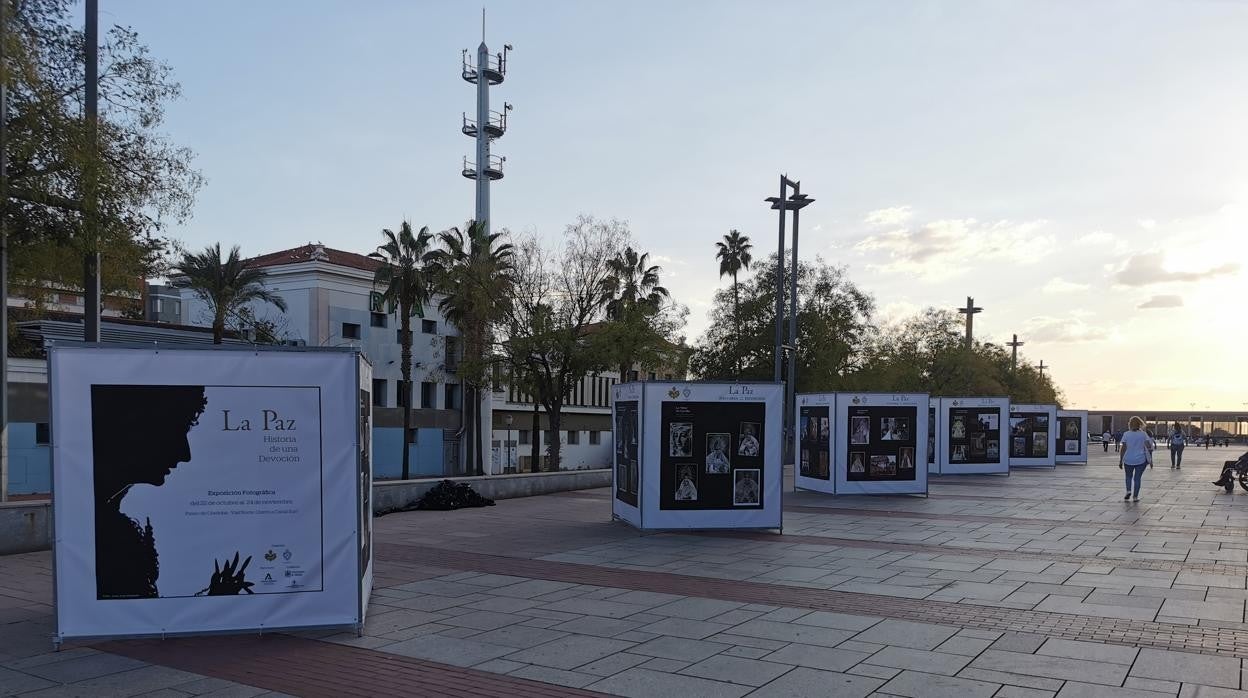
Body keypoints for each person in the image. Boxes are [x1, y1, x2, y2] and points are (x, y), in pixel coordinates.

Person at [1118, 416, 1154, 502]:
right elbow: (1149, 447)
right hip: (1140, 459)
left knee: (1128, 476)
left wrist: (1121, 460)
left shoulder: (1126, 434)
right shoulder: (1143, 434)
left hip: (1128, 459)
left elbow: (1123, 448)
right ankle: (1135, 496)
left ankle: (1128, 491)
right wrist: (1150, 459)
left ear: (1130, 424)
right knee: (1137, 478)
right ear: (1139, 424)